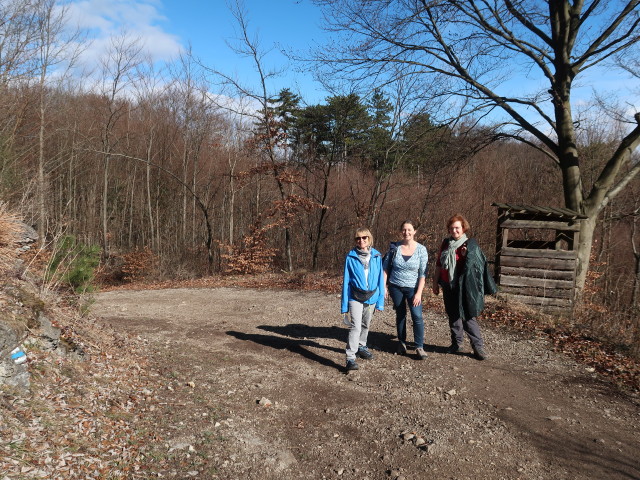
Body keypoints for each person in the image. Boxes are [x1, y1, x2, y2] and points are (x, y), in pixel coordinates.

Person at [432, 214, 497, 360]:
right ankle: (456, 343)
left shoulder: (469, 245)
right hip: (447, 284)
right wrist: (435, 282)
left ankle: (478, 347)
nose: (454, 230)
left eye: (457, 228)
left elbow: (476, 267)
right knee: (453, 315)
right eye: (452, 228)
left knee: (468, 316)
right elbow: (439, 264)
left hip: (463, 287)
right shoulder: (445, 243)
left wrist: (467, 255)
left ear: (463, 228)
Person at [341, 227, 385, 372]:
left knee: (366, 324)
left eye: (364, 237)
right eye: (358, 238)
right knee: (356, 326)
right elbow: (346, 281)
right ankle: (350, 358)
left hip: (372, 295)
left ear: (369, 238)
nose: (361, 241)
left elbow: (380, 280)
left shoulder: (377, 256)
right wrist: (344, 305)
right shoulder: (350, 256)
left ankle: (362, 346)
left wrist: (380, 301)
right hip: (355, 296)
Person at [383, 220, 429, 360]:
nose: (406, 232)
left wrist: (419, 293)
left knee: (417, 316)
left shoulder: (421, 249)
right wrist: (384, 287)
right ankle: (401, 343)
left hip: (413, 289)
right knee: (400, 314)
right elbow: (385, 268)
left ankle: (419, 346)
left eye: (409, 230)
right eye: (404, 229)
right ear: (401, 231)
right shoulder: (394, 247)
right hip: (395, 287)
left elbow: (423, 273)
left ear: (414, 231)